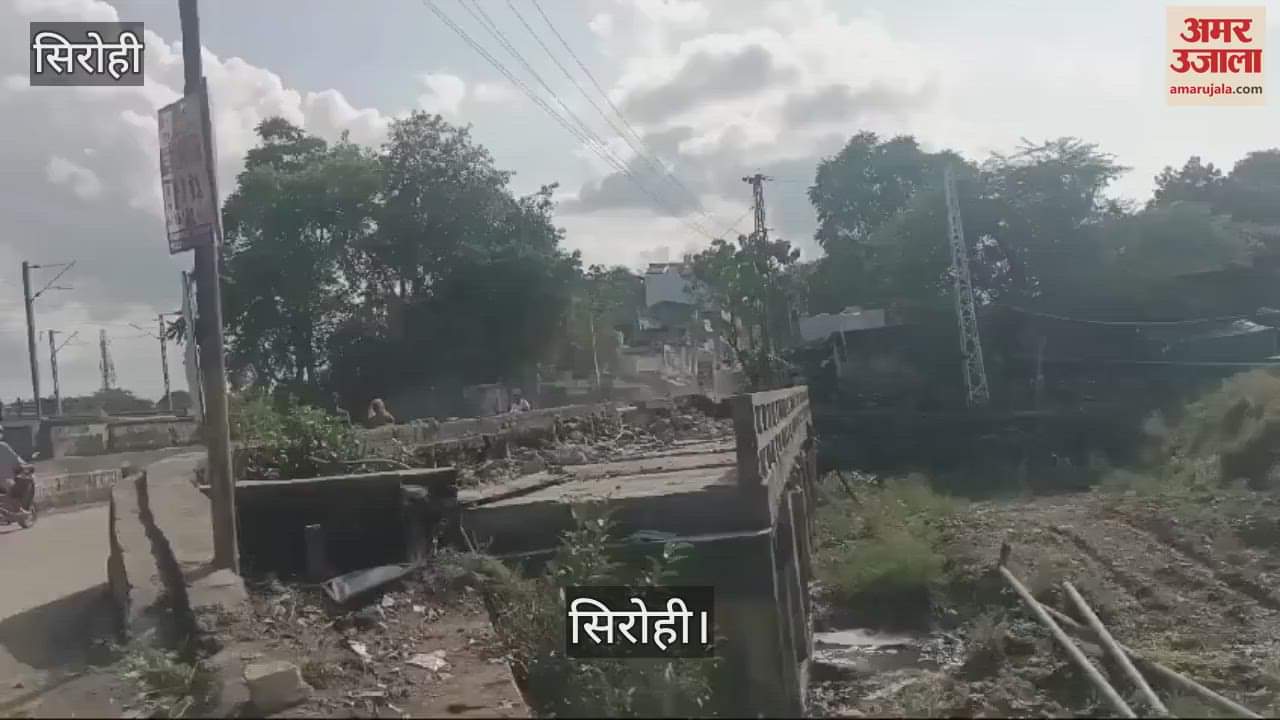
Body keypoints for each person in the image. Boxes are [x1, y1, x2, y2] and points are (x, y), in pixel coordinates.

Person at [0, 428, 25, 497]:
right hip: (6, 482)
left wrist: (24, 465)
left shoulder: (3, 446)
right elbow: (17, 460)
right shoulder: (3, 446)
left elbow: (16, 459)